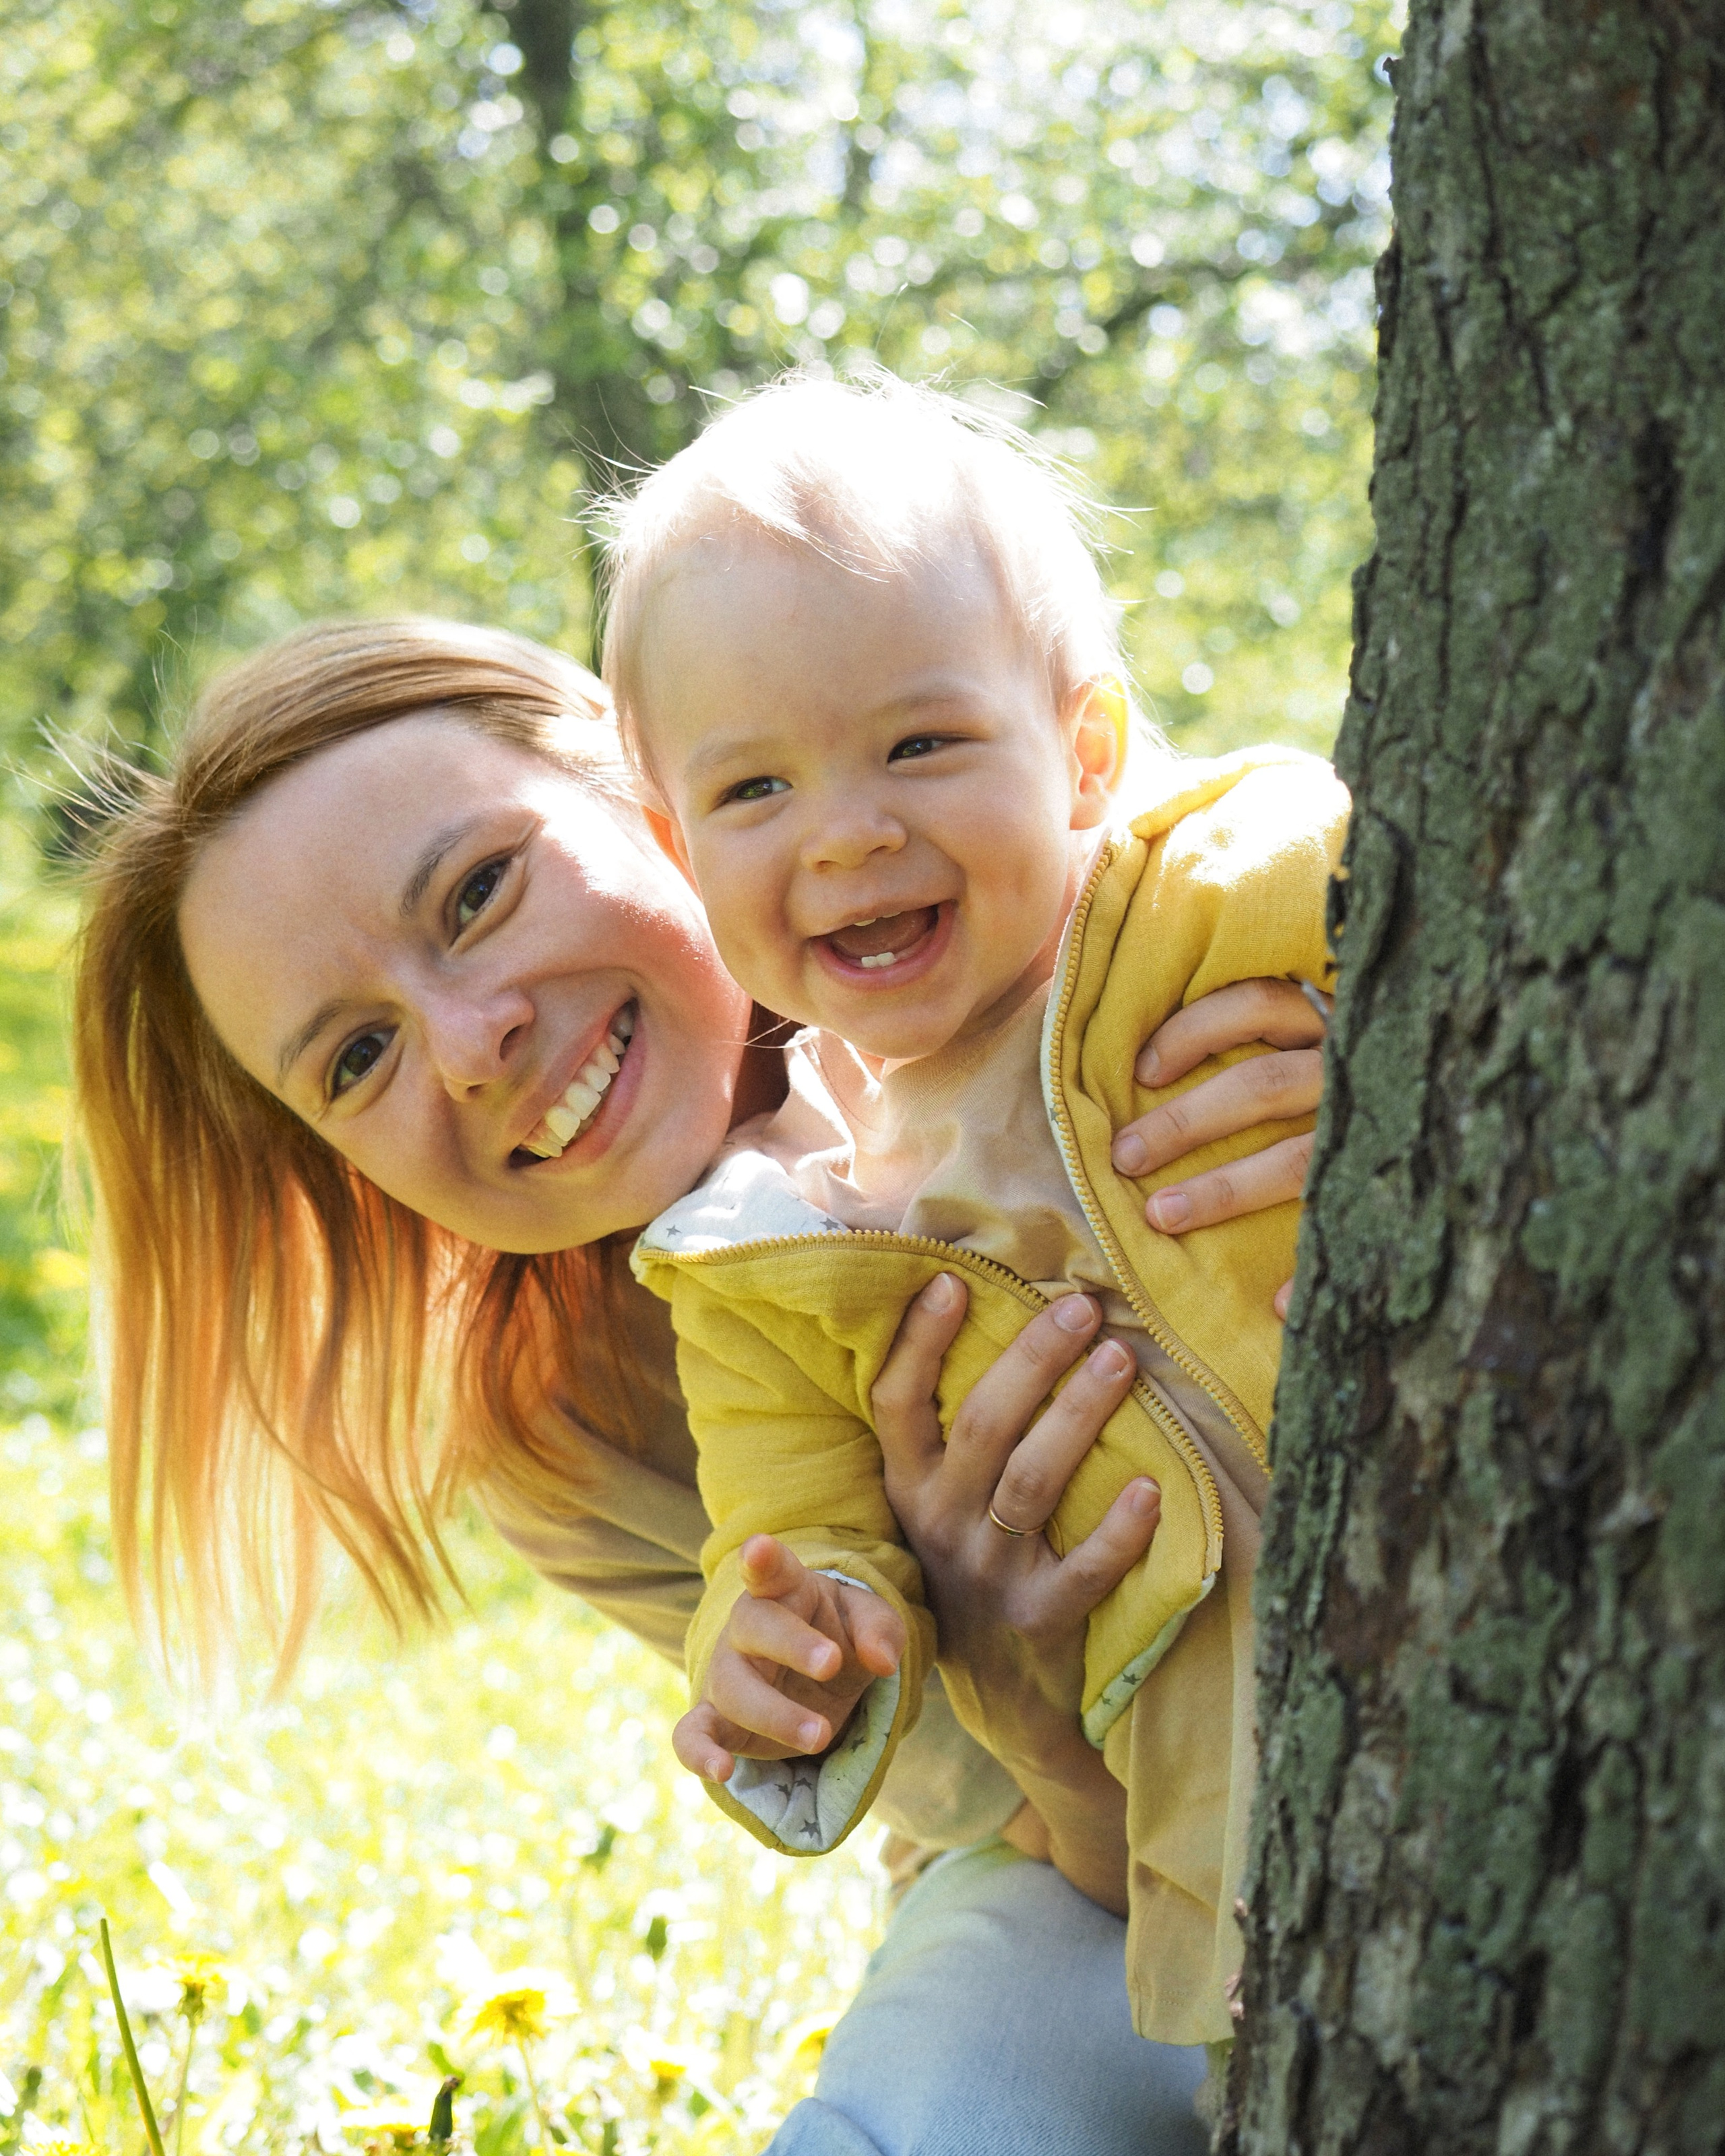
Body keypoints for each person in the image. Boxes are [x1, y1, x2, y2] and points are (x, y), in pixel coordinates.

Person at [71, 616, 1326, 2153]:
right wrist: (1015, 1688)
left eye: (478, 891)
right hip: (1111, 1860)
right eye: (355, 1057)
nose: (471, 1047)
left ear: (652, 784)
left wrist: (1386, 1055)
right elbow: (1080, 1854)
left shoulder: (1092, 920)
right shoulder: (581, 1429)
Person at [601, 376, 1348, 2047]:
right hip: (1242, 1844)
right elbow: (792, 1527)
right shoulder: (763, 1258)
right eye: (752, 793)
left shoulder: (1216, 903)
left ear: (1082, 752)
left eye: (919, 743)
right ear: (675, 845)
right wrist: (790, 1637)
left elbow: (1427, 882)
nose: (850, 830)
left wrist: (1388, 997)